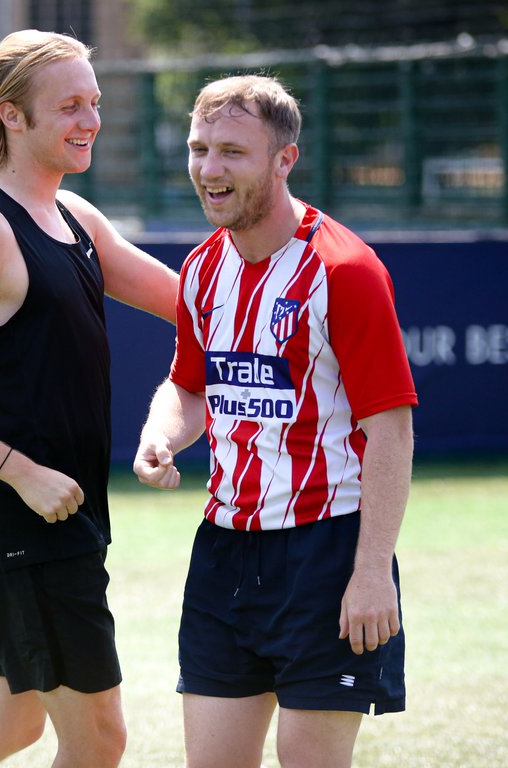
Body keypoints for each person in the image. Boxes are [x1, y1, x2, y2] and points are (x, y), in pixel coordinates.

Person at [0, 30, 178, 768]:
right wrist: (21, 471)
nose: (90, 121)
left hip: (65, 508)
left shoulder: (77, 217)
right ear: (12, 115)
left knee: (7, 726)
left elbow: (194, 308)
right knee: (99, 736)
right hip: (22, 513)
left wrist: (302, 290)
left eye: (95, 103)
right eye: (70, 106)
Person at [133, 74, 418, 768]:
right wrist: (162, 433)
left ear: (283, 159)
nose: (209, 169)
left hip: (327, 551)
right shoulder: (200, 270)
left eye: (232, 151)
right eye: (199, 149)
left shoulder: (345, 270)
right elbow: (189, 387)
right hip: (225, 553)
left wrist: (372, 570)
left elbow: (392, 429)